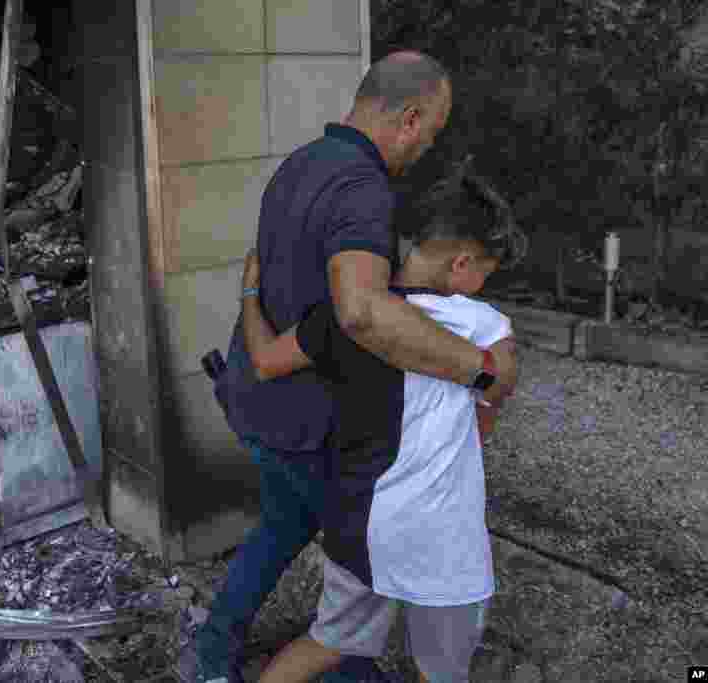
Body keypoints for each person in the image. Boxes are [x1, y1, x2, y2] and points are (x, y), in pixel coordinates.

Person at [181, 50, 513, 683]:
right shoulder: (365, 191)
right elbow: (362, 313)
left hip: (262, 392)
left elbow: (302, 302)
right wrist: (479, 370)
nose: (426, 149)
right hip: (306, 423)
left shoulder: (299, 166)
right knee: (333, 553)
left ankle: (234, 653)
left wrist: (248, 295)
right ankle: (227, 657)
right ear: (410, 118)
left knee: (294, 536)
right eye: (432, 133)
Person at [243, 166, 524, 683]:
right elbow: (494, 403)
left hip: (358, 520)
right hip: (441, 537)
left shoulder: (344, 316)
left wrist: (248, 295)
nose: (484, 284)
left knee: (326, 642)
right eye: (485, 270)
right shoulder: (484, 324)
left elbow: (263, 360)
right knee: (441, 673)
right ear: (461, 264)